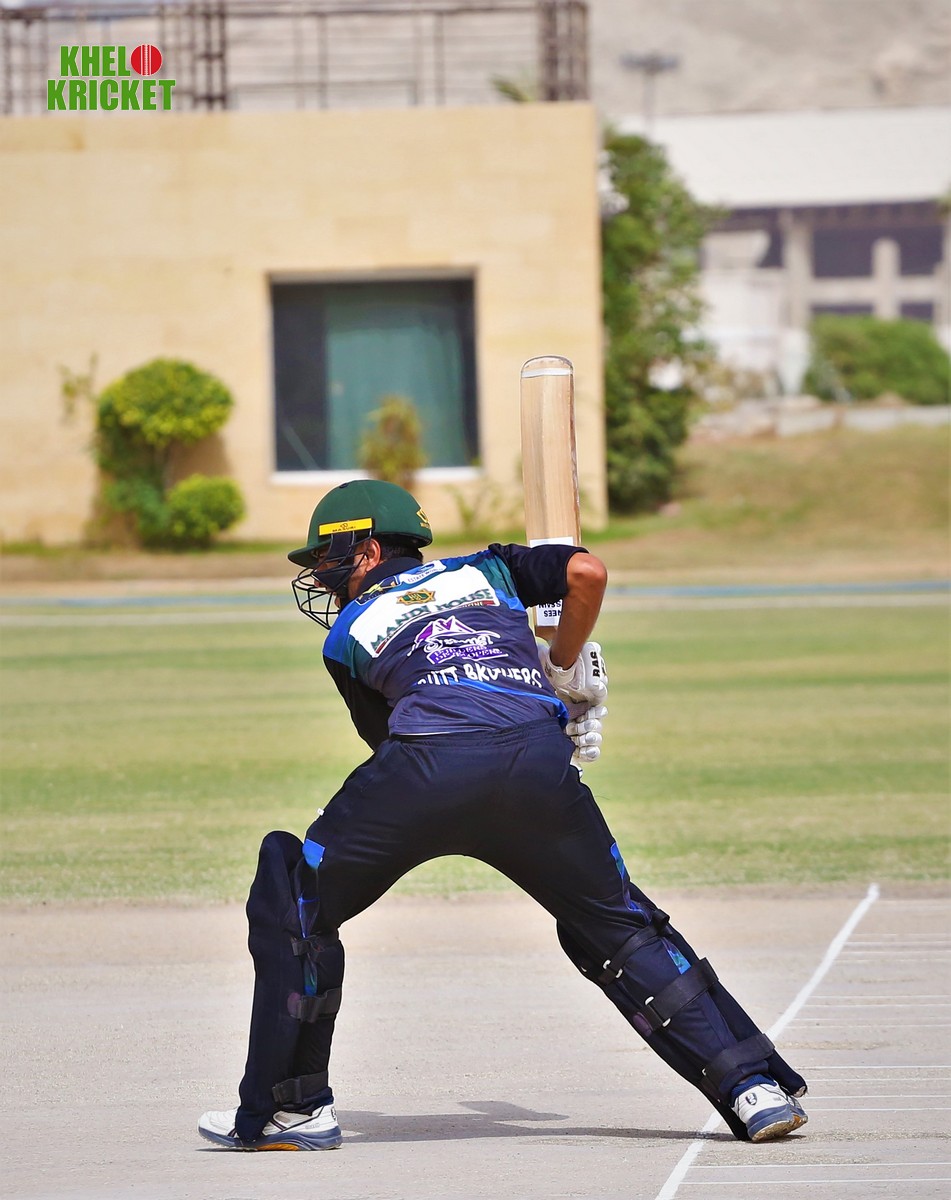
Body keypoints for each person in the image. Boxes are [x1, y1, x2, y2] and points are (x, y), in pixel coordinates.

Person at [198, 479, 808, 1151]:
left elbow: (394, 740)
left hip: (424, 772)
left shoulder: (346, 634)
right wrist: (560, 676)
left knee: (294, 898)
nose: (320, 575)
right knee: (619, 927)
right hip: (536, 765)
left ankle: (293, 1110)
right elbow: (587, 573)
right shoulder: (489, 569)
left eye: (326, 558)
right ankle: (752, 1088)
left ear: (367, 551)